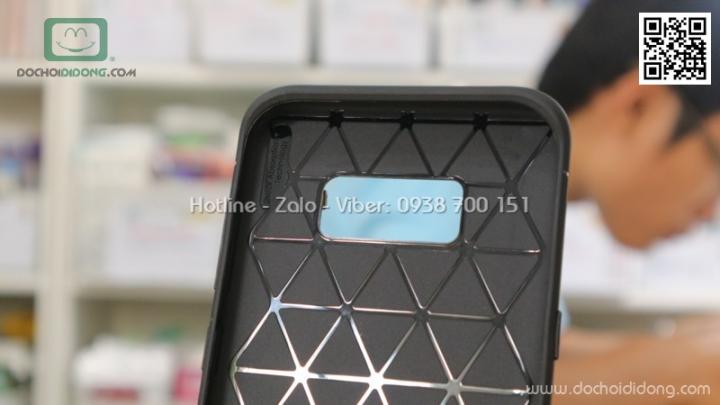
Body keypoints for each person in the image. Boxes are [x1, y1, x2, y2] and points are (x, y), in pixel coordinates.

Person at [538, 1, 720, 403]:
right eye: (717, 159)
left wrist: (687, 349)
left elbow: (525, 347)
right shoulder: (442, 195)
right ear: (637, 107)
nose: (711, 210)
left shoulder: (519, 215)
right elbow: (430, 383)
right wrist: (685, 378)